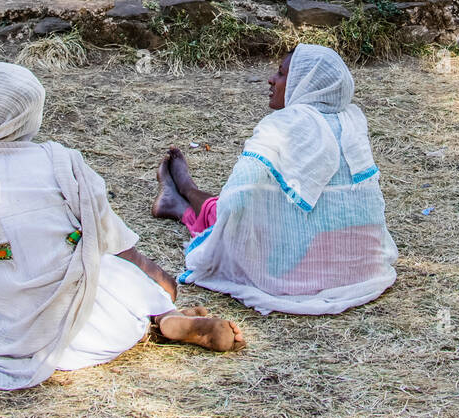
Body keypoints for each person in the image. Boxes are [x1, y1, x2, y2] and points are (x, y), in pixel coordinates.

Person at [0, 57, 242, 390]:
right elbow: (112, 239)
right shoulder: (60, 161)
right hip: (85, 329)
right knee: (107, 269)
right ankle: (160, 315)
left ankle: (161, 317)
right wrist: (155, 277)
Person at [153, 44, 398, 316]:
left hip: (293, 271)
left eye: (281, 74)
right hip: (359, 265)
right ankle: (178, 204)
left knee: (224, 211)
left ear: (305, 83)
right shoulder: (353, 120)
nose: (272, 80)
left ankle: (187, 191)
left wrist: (226, 232)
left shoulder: (281, 126)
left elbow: (235, 200)